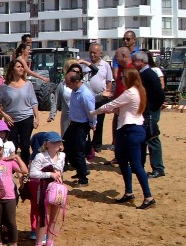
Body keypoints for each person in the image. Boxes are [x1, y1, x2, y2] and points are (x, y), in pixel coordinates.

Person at [91, 68, 155, 209]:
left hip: (130, 130)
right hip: (131, 129)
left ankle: (148, 196)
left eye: (123, 78)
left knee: (136, 165)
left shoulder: (130, 92)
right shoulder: (139, 91)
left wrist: (93, 112)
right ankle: (129, 192)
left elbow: (111, 105)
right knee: (123, 162)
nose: (121, 80)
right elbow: (121, 108)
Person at [27, 133, 68, 246]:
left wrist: (58, 177)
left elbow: (61, 170)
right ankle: (39, 245)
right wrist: (49, 174)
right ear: (47, 144)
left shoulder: (62, 156)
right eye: (54, 142)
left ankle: (49, 243)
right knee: (44, 217)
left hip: (57, 189)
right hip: (44, 189)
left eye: (59, 142)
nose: (58, 144)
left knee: (54, 218)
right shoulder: (40, 156)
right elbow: (32, 173)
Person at [0, 59, 40, 165]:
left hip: (27, 117)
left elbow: (34, 102)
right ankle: (12, 167)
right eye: (18, 66)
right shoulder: (5, 86)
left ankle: (24, 167)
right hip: (11, 120)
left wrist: (36, 118)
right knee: (12, 144)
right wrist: (4, 115)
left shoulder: (28, 84)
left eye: (22, 67)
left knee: (25, 144)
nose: (21, 68)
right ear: (12, 69)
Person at [132, 51, 166, 178]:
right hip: (145, 112)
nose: (133, 63)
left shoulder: (149, 75)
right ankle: (139, 166)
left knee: (152, 138)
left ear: (142, 62)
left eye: (135, 60)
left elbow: (160, 95)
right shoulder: (144, 74)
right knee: (142, 139)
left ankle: (158, 168)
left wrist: (150, 109)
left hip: (150, 112)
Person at [60, 68, 95, 185]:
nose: (67, 86)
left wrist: (92, 124)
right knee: (66, 145)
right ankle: (80, 170)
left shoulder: (85, 95)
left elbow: (91, 112)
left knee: (79, 151)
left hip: (81, 125)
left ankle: (83, 179)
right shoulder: (75, 91)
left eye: (68, 83)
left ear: (76, 82)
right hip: (73, 124)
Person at [80, 43, 114, 153]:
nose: (92, 55)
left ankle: (97, 144)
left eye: (95, 53)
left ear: (100, 53)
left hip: (100, 98)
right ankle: (87, 144)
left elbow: (109, 81)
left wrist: (107, 94)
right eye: (90, 52)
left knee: (99, 121)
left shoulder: (105, 66)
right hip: (87, 98)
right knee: (86, 121)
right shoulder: (85, 65)